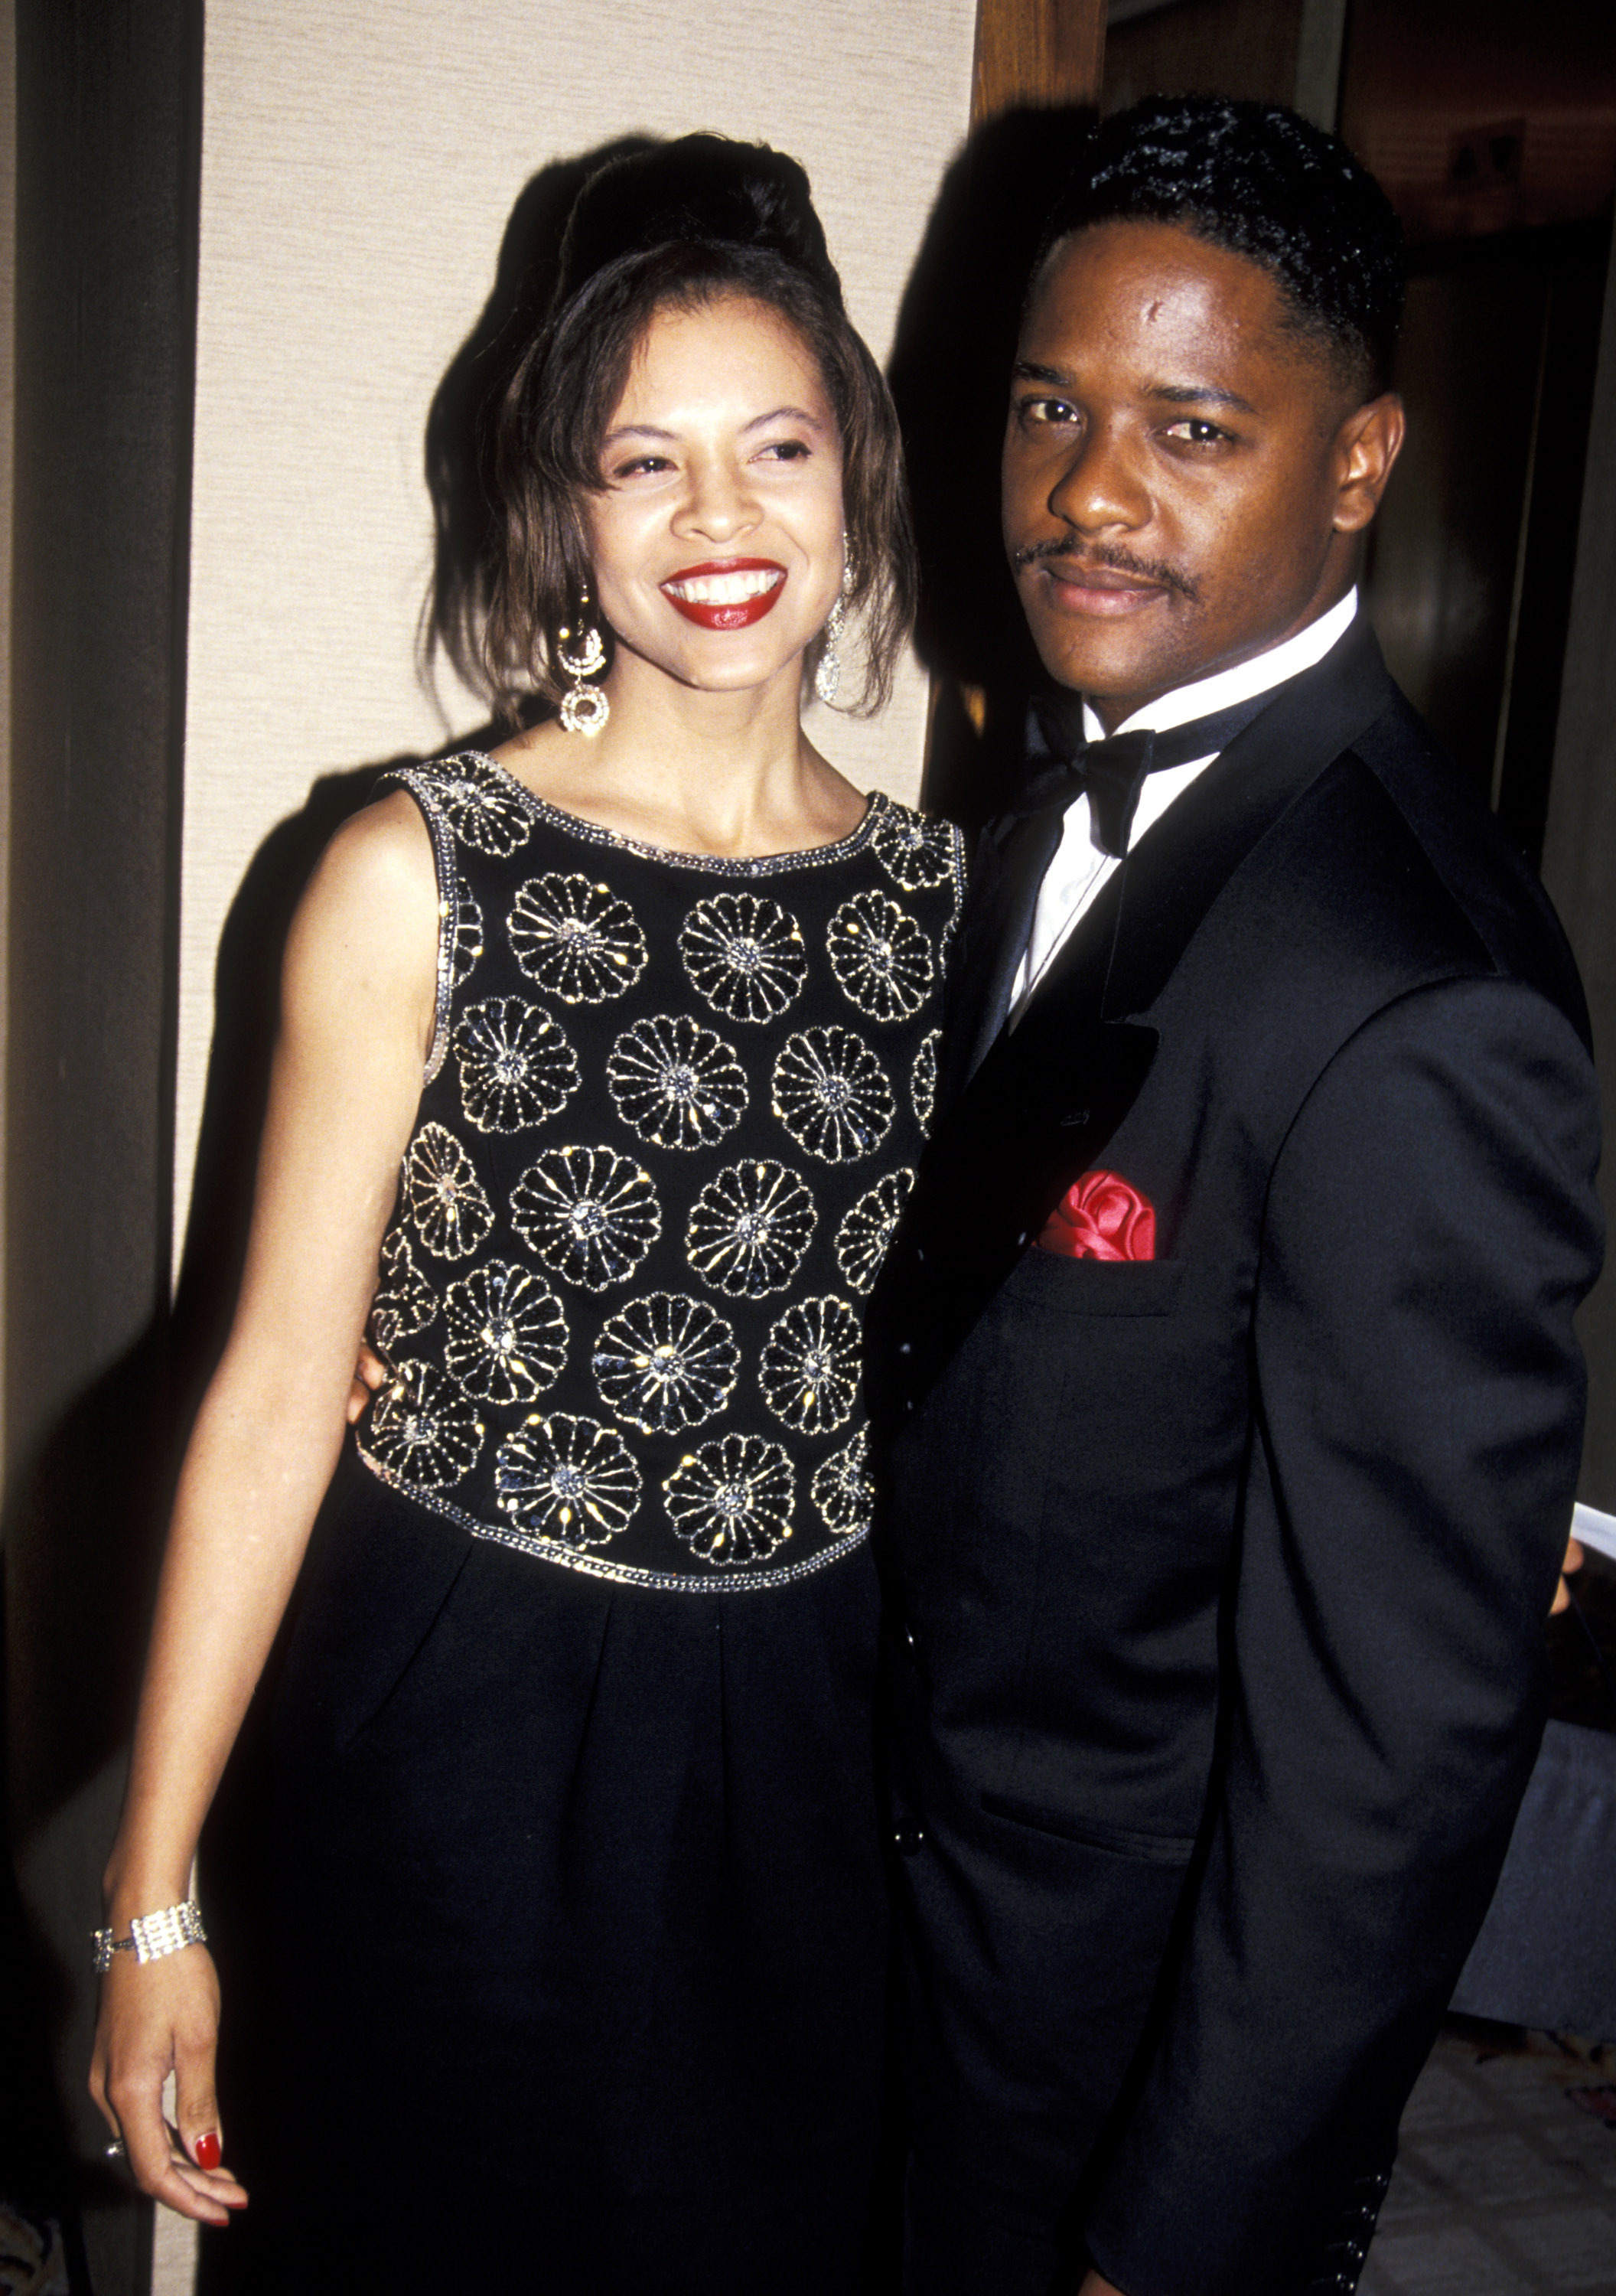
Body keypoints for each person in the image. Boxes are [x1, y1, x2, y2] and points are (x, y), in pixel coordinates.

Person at [90, 134, 960, 2294]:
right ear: (559, 513)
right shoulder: (414, 873)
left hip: (807, 1741)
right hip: (456, 1720)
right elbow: (279, 1393)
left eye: (773, 445)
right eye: (639, 460)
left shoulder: (960, 905)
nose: (720, 520)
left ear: (857, 467)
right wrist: (154, 1897)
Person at [867, 98, 1603, 2296]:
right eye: (1048, 410)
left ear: (1358, 465)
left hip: (1115, 2072)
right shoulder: (1013, 840)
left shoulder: (1417, 1000)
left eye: (1193, 425)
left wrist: (1185, 2234)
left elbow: (1390, 1757)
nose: (1090, 490)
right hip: (894, 1963)